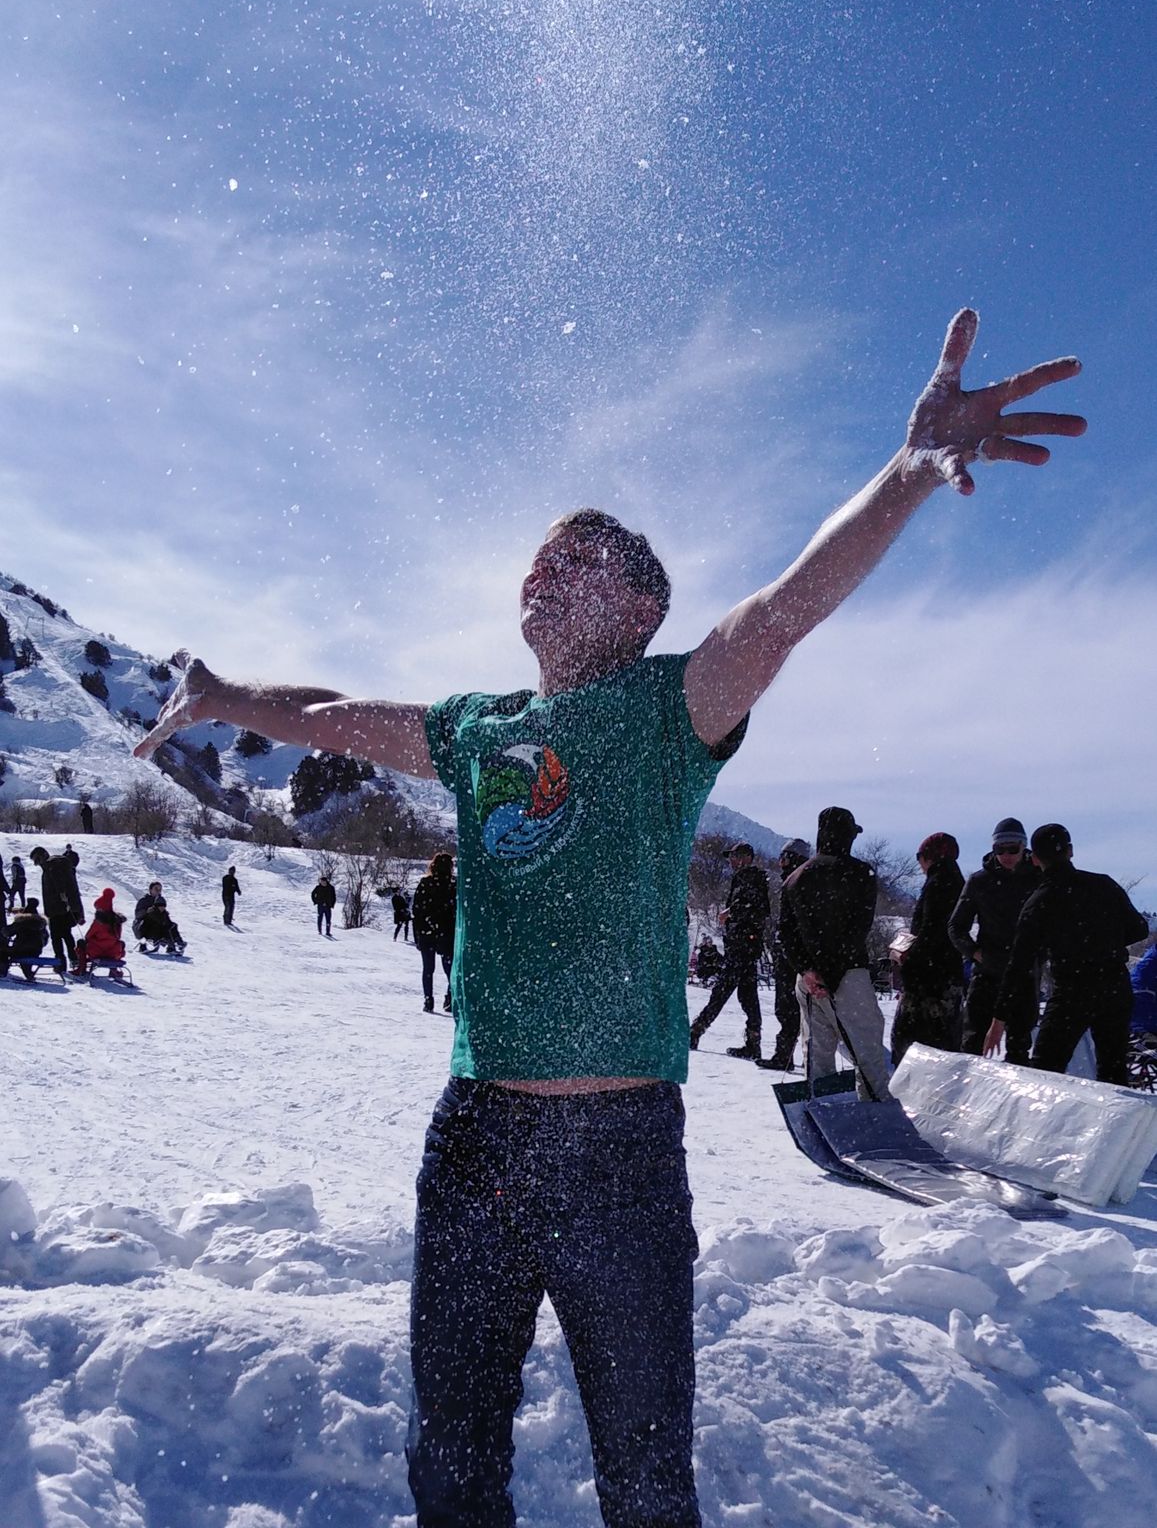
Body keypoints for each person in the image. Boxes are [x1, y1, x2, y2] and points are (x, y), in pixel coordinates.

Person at [132, 310, 1085, 1528]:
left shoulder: (663, 710)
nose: (541, 570)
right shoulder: (475, 726)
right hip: (472, 1140)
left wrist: (903, 472)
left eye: (578, 557)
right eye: (537, 556)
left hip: (619, 1155)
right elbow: (326, 707)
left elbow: (779, 612)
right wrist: (221, 695)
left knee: (644, 1481)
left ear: (638, 610)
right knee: (452, 1466)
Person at [985, 824, 1149, 1085]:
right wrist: (1105, 942)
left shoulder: (1039, 901)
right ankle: (1116, 1123)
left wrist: (999, 1019)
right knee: (1113, 1071)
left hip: (1073, 990)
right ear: (1070, 851)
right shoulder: (1103, 885)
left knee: (1045, 1071)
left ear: (1035, 858)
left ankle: (1046, 1123)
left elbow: (1019, 965)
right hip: (1114, 985)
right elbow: (1139, 929)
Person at [775, 807, 892, 1100]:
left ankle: (825, 1117)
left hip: (809, 980)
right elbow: (857, 929)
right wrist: (831, 974)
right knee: (867, 1053)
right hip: (849, 974)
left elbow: (785, 935)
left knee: (817, 1055)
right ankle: (877, 1117)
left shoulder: (795, 879)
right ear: (849, 835)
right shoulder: (862, 873)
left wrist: (807, 970)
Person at [948, 817, 1040, 1064]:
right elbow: (956, 926)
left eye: (1013, 849)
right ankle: (969, 1096)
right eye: (1000, 849)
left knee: (1020, 1045)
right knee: (974, 1042)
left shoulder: (1038, 878)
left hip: (1025, 974)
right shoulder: (980, 881)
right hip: (987, 971)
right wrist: (975, 953)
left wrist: (1041, 954)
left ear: (1024, 847)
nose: (1006, 855)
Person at [689, 842, 772, 1059]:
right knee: (747, 996)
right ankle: (753, 1043)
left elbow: (758, 909)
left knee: (723, 991)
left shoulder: (751, 878)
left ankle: (695, 1031)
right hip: (742, 946)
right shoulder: (745, 878)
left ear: (746, 857)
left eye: (734, 856)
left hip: (743, 947)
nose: (731, 861)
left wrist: (732, 912)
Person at [890, 832, 966, 1066]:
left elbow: (930, 930)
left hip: (927, 980)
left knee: (909, 1043)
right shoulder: (960, 884)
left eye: (920, 857)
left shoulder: (937, 883)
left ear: (930, 857)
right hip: (950, 975)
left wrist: (907, 960)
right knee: (946, 1044)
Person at [760, 837, 811, 1071]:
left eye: (783, 858)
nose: (780, 862)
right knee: (791, 1007)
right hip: (794, 952)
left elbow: (793, 922)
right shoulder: (801, 879)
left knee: (788, 1006)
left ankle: (785, 1056)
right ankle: (788, 1055)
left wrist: (787, 946)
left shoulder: (796, 881)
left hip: (793, 955)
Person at [411, 853, 457, 1014]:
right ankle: (450, 996)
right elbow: (457, 910)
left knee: (428, 968)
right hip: (447, 931)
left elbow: (416, 910)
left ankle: (428, 1000)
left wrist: (418, 933)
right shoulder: (453, 885)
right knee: (450, 968)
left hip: (427, 930)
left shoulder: (425, 883)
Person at [28, 845, 84, 973]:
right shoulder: (59, 864)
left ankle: (60, 962)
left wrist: (62, 895)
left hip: (55, 907)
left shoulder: (51, 866)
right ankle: (73, 958)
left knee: (56, 937)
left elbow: (59, 883)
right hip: (64, 907)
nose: (37, 864)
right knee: (66, 934)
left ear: (41, 856)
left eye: (36, 860)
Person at [74, 888, 127, 976]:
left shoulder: (99, 922)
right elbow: (118, 937)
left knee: (81, 943)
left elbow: (88, 935)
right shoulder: (117, 921)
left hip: (97, 952)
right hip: (113, 953)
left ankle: (81, 968)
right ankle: (113, 971)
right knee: (119, 944)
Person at [133, 882, 186, 953]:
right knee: (159, 925)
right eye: (156, 889)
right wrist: (146, 911)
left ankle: (176, 943)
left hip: (157, 926)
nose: (158, 891)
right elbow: (138, 915)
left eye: (160, 889)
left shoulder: (160, 901)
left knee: (171, 925)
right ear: (150, 890)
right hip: (143, 926)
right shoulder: (144, 901)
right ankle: (144, 946)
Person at [5, 898, 49, 982]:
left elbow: (8, 932)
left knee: (4, 951)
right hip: (36, 951)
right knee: (27, 955)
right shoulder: (40, 923)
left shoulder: (21, 921)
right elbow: (46, 938)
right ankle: (29, 973)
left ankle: (3, 971)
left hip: (19, 950)